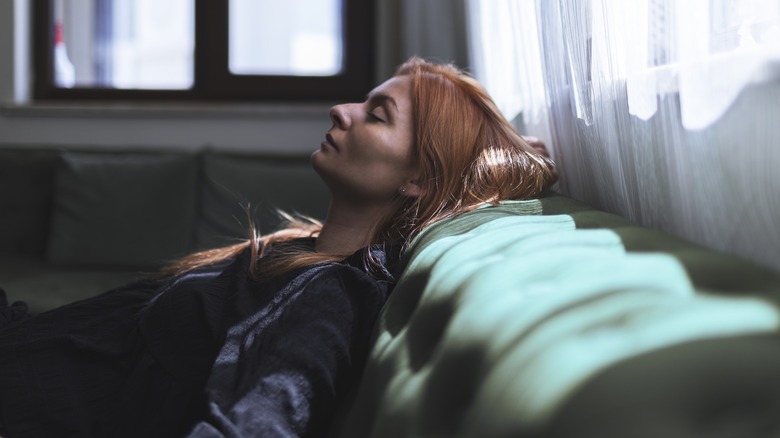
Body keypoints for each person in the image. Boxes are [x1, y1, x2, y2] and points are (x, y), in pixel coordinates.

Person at [0, 57, 556, 438]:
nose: (342, 110)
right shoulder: (298, 252)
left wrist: (501, 164)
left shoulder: (330, 292)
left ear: (417, 180)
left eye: (377, 114)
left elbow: (262, 416)